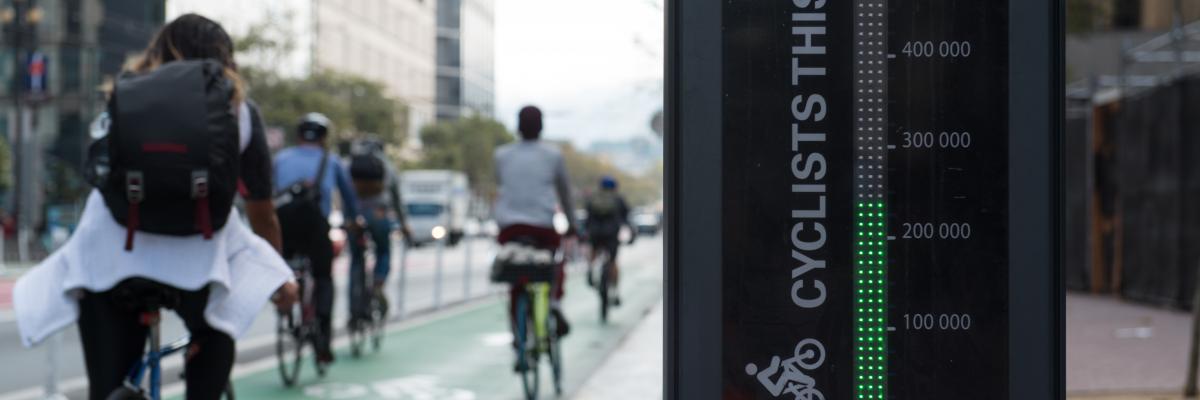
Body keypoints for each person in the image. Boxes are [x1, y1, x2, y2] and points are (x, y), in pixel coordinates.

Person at [13, 14, 297, 400]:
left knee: (108, 388)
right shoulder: (238, 111)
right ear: (225, 60)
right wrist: (275, 274)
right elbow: (261, 210)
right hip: (198, 264)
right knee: (216, 329)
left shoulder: (123, 96)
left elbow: (95, 174)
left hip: (110, 259)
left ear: (157, 51)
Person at [273, 112, 362, 364]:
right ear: (323, 138)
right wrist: (353, 221)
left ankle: (284, 307)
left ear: (299, 135)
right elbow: (348, 198)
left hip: (284, 226)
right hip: (315, 226)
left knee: (282, 271)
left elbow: (265, 191)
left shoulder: (281, 158)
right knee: (323, 278)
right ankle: (323, 339)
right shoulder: (331, 161)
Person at [494, 105, 578, 339]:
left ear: (517, 127)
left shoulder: (501, 155)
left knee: (516, 276)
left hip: (510, 228)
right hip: (542, 227)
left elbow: (503, 185)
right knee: (555, 263)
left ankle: (518, 335)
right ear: (541, 127)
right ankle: (554, 303)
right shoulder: (553, 155)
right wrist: (572, 225)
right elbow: (565, 194)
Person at [346, 137, 413, 324]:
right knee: (383, 251)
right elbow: (397, 199)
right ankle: (378, 283)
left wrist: (348, 219)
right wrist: (404, 224)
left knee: (356, 261)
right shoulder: (388, 166)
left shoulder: (349, 165)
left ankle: (354, 311)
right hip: (379, 215)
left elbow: (343, 194)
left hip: (355, 219)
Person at [583, 176, 635, 306]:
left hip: (595, 234)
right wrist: (632, 234)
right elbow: (627, 218)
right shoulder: (619, 199)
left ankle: (590, 270)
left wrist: (585, 233)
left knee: (593, 251)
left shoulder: (593, 199)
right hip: (611, 235)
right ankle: (615, 292)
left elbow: (587, 219)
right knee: (613, 262)